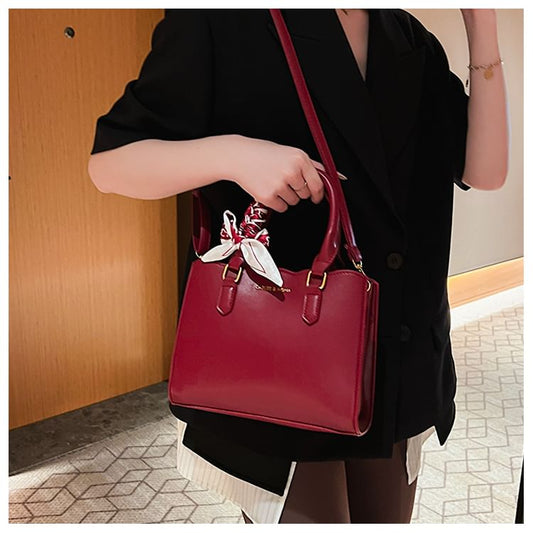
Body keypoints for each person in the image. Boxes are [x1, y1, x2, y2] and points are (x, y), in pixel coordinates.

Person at [88, 8, 508, 523]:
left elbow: (485, 171)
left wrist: (481, 25)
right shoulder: (224, 19)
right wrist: (233, 156)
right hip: (279, 361)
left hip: (399, 355)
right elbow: (109, 164)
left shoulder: (406, 35)